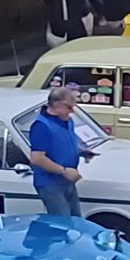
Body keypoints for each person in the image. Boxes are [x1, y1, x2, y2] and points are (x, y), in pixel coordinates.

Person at [28, 87, 85, 217]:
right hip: (51, 184)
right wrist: (64, 171)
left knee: (76, 219)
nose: (72, 112)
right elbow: (37, 158)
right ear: (57, 105)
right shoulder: (41, 126)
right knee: (62, 222)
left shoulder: (67, 122)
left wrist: (81, 151)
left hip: (67, 182)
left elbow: (63, 142)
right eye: (69, 107)